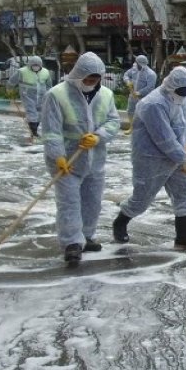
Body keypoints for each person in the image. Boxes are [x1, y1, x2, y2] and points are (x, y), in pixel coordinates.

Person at [111, 67, 186, 253]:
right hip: (151, 158)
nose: (185, 95)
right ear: (171, 86)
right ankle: (120, 222)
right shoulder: (153, 104)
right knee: (143, 198)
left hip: (178, 156)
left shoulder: (184, 97)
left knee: (185, 195)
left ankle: (184, 237)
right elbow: (163, 139)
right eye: (182, 92)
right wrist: (185, 160)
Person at [42, 52, 122, 263]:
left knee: (92, 201)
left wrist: (99, 137)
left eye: (94, 79)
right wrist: (57, 155)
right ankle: (71, 243)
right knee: (69, 202)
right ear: (78, 74)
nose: (90, 83)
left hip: (95, 159)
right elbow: (51, 130)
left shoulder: (106, 95)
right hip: (66, 160)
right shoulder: (56, 95)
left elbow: (114, 122)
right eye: (87, 79)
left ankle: (86, 236)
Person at [10, 55, 52, 140]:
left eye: (37, 65)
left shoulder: (45, 72)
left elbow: (49, 85)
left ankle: (34, 130)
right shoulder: (22, 72)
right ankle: (34, 132)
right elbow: (12, 81)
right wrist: (10, 89)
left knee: (39, 114)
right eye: (34, 65)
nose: (36, 67)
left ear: (40, 65)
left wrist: (49, 94)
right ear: (30, 65)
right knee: (32, 113)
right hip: (28, 96)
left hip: (42, 97)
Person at [123, 54, 157, 118]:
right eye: (136, 62)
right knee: (130, 111)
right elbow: (126, 75)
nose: (135, 64)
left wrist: (139, 93)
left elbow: (150, 87)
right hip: (132, 96)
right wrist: (128, 81)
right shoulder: (134, 69)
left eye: (137, 63)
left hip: (144, 98)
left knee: (142, 113)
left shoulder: (151, 74)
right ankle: (131, 126)